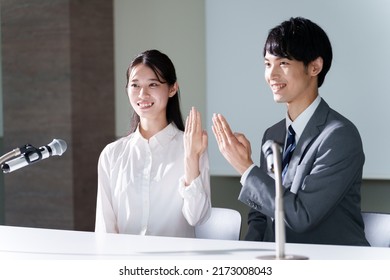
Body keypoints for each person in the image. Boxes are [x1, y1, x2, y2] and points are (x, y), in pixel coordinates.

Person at [212, 17, 369, 246]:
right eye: (267, 64)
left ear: (315, 66)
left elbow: (302, 215)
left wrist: (245, 168)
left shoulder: (339, 136)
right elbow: (261, 216)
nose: (272, 75)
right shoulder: (272, 134)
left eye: (283, 63)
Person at [95, 49, 211, 238]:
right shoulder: (112, 154)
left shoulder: (191, 146)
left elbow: (197, 217)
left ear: (172, 88)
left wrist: (191, 157)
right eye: (135, 85)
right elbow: (105, 230)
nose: (142, 94)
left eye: (153, 84)